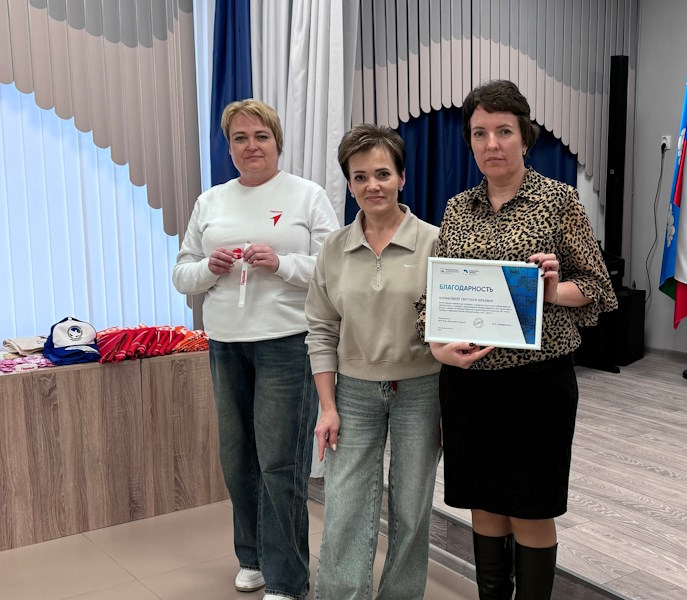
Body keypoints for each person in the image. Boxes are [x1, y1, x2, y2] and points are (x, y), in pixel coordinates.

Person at [421, 80, 617, 600]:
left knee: (530, 508)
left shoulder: (559, 200)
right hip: (469, 386)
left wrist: (553, 291)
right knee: (484, 505)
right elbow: (435, 294)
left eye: (504, 131)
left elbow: (598, 287)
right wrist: (438, 346)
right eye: (480, 133)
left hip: (537, 385)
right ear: (470, 142)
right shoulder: (457, 209)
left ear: (524, 137)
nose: (492, 144)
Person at [172, 99, 339, 600]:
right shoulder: (210, 201)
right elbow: (182, 273)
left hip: (287, 343)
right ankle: (251, 557)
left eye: (260, 136)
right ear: (229, 148)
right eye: (240, 138)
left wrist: (282, 263)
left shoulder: (307, 195)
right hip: (226, 343)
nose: (251, 146)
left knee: (279, 462)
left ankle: (287, 579)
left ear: (277, 143)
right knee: (237, 456)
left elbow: (335, 269)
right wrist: (209, 269)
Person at [306, 124, 442, 599]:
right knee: (345, 506)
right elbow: (321, 331)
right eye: (360, 177)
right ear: (349, 185)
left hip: (421, 392)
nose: (372, 186)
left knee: (411, 509)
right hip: (353, 393)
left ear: (402, 177)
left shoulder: (436, 243)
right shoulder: (333, 249)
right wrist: (328, 406)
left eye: (382, 174)